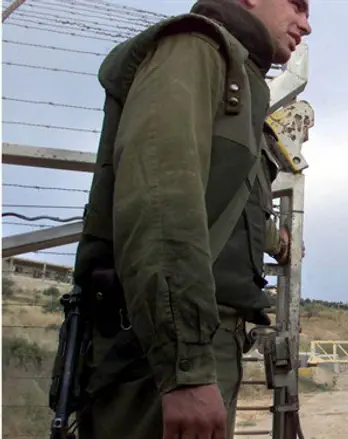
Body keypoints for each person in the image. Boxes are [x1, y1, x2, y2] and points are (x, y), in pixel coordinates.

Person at [62, 1, 312, 438]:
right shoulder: (195, 49)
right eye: (297, 4)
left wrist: (278, 239)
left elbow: (225, 207)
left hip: (201, 344)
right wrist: (187, 368)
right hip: (160, 356)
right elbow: (162, 204)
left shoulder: (238, 79)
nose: (305, 25)